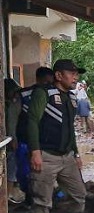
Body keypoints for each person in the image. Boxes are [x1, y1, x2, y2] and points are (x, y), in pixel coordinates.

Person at [27, 59, 94, 213]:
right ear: (58, 75)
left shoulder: (71, 98)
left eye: (76, 74)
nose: (76, 77)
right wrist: (35, 151)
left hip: (67, 157)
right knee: (42, 202)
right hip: (46, 156)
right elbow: (32, 121)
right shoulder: (43, 94)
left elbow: (70, 130)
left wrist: (77, 154)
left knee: (79, 195)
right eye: (71, 73)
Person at [16, 67, 55, 198]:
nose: (48, 86)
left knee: (44, 171)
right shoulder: (23, 94)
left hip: (45, 141)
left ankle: (46, 195)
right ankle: (29, 196)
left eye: (50, 83)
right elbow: (14, 117)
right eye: (46, 82)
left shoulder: (53, 95)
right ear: (38, 79)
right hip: (24, 139)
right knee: (25, 171)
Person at [4, 78, 26, 204]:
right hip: (8, 139)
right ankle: (7, 194)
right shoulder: (10, 104)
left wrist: (13, 137)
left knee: (11, 165)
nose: (15, 94)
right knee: (10, 165)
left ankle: (9, 193)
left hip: (10, 139)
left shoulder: (13, 103)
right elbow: (10, 122)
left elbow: (12, 122)